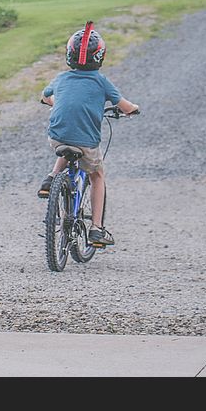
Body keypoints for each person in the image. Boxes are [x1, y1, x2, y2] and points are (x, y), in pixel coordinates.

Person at [37, 21, 139, 247]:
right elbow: (125, 106)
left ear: (69, 54)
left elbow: (45, 97)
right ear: (100, 56)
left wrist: (56, 105)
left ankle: (51, 178)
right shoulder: (102, 82)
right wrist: (133, 109)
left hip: (56, 137)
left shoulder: (61, 78)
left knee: (67, 140)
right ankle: (96, 229)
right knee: (97, 175)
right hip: (86, 143)